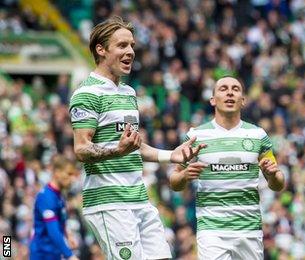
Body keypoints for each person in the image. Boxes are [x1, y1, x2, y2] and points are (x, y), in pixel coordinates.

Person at [69, 16, 204, 259]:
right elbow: (81, 149)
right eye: (122, 46)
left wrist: (171, 155)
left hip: (139, 198)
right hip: (109, 202)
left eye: (132, 45)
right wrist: (116, 151)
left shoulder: (129, 93)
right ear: (101, 50)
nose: (130, 51)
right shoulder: (86, 94)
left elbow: (133, 146)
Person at [169, 76, 285, 260]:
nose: (230, 92)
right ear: (213, 100)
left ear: (243, 100)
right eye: (223, 88)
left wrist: (272, 175)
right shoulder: (195, 136)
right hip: (212, 230)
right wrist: (184, 175)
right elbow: (174, 182)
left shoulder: (258, 135)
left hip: (250, 229)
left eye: (235, 89)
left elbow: (278, 184)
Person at [29, 156, 80, 260]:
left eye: (74, 175)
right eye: (69, 174)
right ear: (57, 172)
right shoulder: (46, 197)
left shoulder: (59, 195)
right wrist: (69, 255)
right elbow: (53, 230)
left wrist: (68, 235)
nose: (72, 179)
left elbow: (61, 220)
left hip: (54, 253)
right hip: (42, 254)